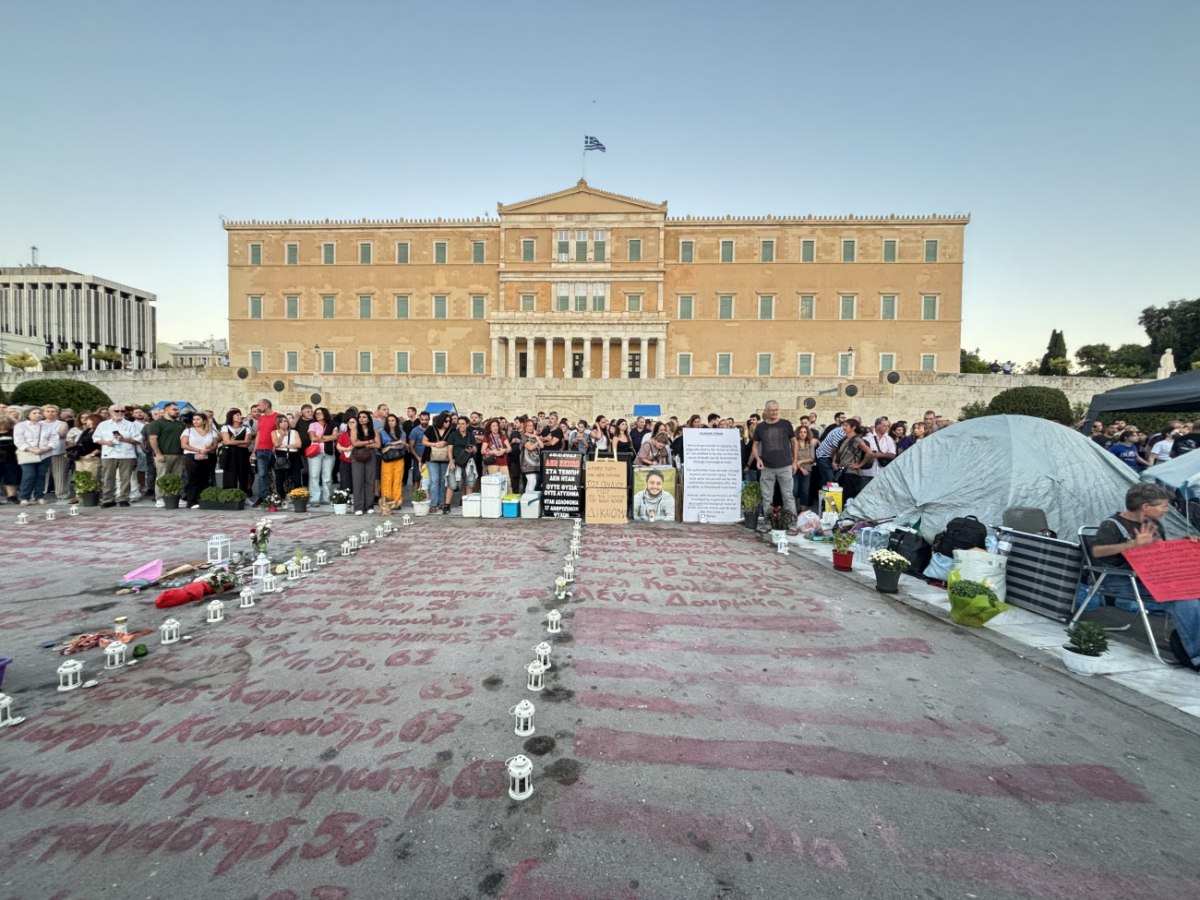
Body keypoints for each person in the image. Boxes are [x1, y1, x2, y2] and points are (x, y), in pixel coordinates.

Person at [1090, 483, 1200, 671]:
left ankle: (1189, 640)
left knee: (1192, 591)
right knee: (1185, 600)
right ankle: (1197, 656)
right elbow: (1096, 552)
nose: (1167, 510)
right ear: (1146, 507)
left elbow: (1160, 554)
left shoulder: (1155, 525)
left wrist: (1185, 545)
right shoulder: (1112, 525)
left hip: (1153, 579)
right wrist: (1132, 544)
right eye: (1163, 505)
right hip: (1123, 581)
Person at [750, 400, 800, 534]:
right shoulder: (760, 427)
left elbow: (794, 442)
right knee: (767, 497)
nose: (774, 412)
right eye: (772, 410)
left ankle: (792, 524)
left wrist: (795, 461)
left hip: (785, 465)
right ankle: (767, 523)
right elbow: (755, 444)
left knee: (788, 496)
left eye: (776, 410)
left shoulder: (786, 424)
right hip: (767, 467)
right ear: (766, 410)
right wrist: (758, 459)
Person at [93, 404, 140, 507]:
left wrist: (124, 439)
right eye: (117, 411)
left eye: (122, 411)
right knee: (108, 477)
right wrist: (106, 442)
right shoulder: (103, 425)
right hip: (109, 454)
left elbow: (138, 440)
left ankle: (123, 498)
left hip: (126, 454)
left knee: (125, 478)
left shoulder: (130, 425)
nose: (119, 413)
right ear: (110, 412)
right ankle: (108, 499)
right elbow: (96, 438)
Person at [146, 402, 186, 507]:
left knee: (177, 477)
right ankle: (160, 498)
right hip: (163, 454)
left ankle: (174, 496)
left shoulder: (180, 424)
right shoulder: (158, 423)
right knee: (162, 476)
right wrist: (158, 454)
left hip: (178, 455)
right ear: (166, 410)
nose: (177, 411)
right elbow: (153, 439)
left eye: (177, 410)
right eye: (174, 409)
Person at [14, 407, 57, 505]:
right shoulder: (20, 426)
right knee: (29, 475)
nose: (38, 415)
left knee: (41, 475)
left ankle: (39, 496)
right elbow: (19, 441)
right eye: (34, 413)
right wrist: (31, 449)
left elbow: (54, 439)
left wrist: (45, 449)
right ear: (28, 415)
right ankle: (24, 497)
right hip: (28, 454)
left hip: (45, 454)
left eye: (39, 413)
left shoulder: (47, 426)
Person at [181, 411, 219, 508]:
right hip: (192, 456)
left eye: (198, 419)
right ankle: (191, 501)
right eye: (194, 419)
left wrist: (208, 449)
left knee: (205, 478)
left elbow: (215, 444)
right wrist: (198, 450)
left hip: (207, 456)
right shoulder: (188, 431)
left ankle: (202, 499)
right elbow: (184, 444)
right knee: (193, 478)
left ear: (204, 421)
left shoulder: (211, 432)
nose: (195, 421)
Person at [832, 422, 875, 501]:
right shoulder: (844, 439)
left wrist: (859, 465)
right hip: (842, 472)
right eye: (843, 425)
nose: (843, 427)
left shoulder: (857, 440)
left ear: (853, 427)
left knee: (848, 498)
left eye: (846, 425)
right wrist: (834, 462)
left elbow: (869, 452)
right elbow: (838, 452)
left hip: (851, 473)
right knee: (839, 498)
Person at [348, 410, 380, 515]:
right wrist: (370, 442)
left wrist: (366, 444)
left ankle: (369, 506)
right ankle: (358, 507)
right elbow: (355, 443)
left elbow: (378, 445)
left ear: (368, 419)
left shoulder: (374, 431)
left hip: (370, 456)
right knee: (358, 481)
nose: (361, 419)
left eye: (364, 417)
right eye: (360, 417)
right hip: (357, 456)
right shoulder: (354, 429)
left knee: (370, 480)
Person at [251, 399, 281, 506]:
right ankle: (262, 497)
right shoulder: (261, 418)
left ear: (266, 405)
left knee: (277, 474)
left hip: (273, 450)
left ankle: (279, 496)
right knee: (262, 475)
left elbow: (281, 432)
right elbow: (259, 434)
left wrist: (275, 446)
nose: (258, 408)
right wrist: (254, 450)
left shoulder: (277, 417)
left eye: (259, 405)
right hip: (260, 450)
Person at [40, 405, 71, 502]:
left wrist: (45, 434)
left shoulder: (62, 423)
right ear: (44, 413)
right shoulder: (39, 423)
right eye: (48, 411)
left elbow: (61, 434)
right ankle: (38, 493)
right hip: (42, 452)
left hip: (58, 451)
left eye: (53, 411)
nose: (50, 413)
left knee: (60, 473)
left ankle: (61, 493)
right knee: (41, 474)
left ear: (57, 413)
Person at [219, 408, 253, 493]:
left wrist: (232, 442)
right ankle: (229, 495)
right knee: (230, 475)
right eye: (237, 415)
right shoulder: (225, 427)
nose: (239, 416)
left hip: (242, 454)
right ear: (231, 417)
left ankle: (244, 495)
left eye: (240, 414)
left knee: (243, 475)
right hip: (229, 454)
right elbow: (226, 441)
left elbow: (247, 444)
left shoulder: (246, 428)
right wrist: (242, 441)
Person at [272, 416, 303, 496]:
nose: (284, 423)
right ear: (278, 423)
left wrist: (286, 446)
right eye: (282, 421)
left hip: (293, 455)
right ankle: (281, 496)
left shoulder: (294, 432)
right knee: (280, 478)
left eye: (285, 421)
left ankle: (298, 496)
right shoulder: (274, 432)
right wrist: (281, 435)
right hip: (280, 455)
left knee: (296, 478)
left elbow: (299, 444)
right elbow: (276, 444)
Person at [862, 416, 897, 484]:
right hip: (867, 473)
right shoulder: (867, 438)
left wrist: (880, 455)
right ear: (877, 426)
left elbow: (893, 454)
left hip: (882, 473)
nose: (886, 428)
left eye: (888, 426)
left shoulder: (889, 439)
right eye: (884, 426)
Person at [793, 423, 818, 511]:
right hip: (795, 470)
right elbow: (792, 458)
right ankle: (794, 510)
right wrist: (800, 467)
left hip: (807, 470)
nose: (803, 434)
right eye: (801, 432)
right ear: (797, 433)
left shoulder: (809, 445)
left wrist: (801, 461)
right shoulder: (794, 444)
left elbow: (812, 458)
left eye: (805, 432)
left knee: (805, 491)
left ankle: (803, 512)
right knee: (794, 490)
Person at [517, 419, 544, 493]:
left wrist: (536, 437)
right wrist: (536, 440)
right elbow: (530, 447)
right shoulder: (523, 437)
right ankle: (528, 499)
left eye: (532, 425)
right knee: (532, 482)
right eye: (528, 426)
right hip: (527, 464)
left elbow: (542, 446)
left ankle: (526, 500)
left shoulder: (535, 436)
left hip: (536, 463)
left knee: (530, 483)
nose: (530, 427)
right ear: (525, 427)